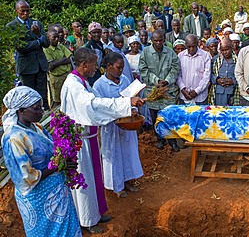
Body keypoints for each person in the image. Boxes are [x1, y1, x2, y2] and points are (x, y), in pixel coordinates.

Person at [60, 47, 145, 234]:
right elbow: (93, 105)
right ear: (84, 64)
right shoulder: (73, 85)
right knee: (84, 181)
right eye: (93, 64)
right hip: (79, 142)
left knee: (92, 178)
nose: (96, 67)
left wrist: (124, 108)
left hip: (88, 138)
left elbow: (97, 101)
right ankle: (87, 220)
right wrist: (125, 104)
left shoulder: (82, 82)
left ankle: (96, 212)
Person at [1, 86, 81, 237]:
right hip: (39, 200)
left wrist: (65, 163)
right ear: (21, 111)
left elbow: (53, 153)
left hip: (58, 195)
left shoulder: (36, 127)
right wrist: (56, 166)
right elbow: (24, 179)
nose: (42, 112)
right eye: (36, 108)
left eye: (41, 107)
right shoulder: (13, 138)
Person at [93, 52, 144, 198]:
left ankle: (128, 180)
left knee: (128, 153)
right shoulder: (99, 85)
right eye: (118, 67)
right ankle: (117, 186)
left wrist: (134, 110)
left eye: (122, 68)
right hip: (111, 127)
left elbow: (131, 98)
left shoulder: (125, 80)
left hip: (128, 124)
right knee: (114, 155)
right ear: (109, 67)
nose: (121, 71)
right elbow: (100, 108)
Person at [139, 30, 180, 151]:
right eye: (155, 40)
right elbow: (143, 70)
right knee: (155, 117)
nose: (158, 43)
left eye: (160, 40)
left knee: (169, 116)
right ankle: (160, 139)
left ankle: (172, 141)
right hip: (153, 91)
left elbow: (175, 68)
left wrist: (167, 81)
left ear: (164, 40)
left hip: (168, 90)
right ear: (151, 40)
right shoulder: (145, 53)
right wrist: (156, 81)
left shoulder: (171, 52)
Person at [6, 0, 50, 110]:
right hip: (26, 67)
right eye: (23, 11)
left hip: (40, 65)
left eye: (27, 11)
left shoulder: (36, 23)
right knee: (28, 97)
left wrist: (38, 35)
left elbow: (47, 43)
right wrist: (38, 42)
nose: (25, 13)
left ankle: (45, 120)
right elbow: (21, 47)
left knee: (42, 97)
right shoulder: (12, 26)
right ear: (17, 11)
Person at [177, 34, 211, 107]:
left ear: (197, 44)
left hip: (200, 98)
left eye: (194, 46)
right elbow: (178, 74)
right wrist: (183, 89)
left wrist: (197, 91)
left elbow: (206, 77)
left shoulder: (205, 56)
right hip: (184, 96)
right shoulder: (180, 56)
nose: (191, 49)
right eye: (189, 47)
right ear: (185, 45)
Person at [43, 30, 72, 108]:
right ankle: (55, 118)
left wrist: (58, 62)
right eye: (54, 37)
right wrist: (63, 60)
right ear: (48, 38)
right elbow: (51, 65)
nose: (56, 39)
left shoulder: (61, 46)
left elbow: (70, 58)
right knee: (57, 101)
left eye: (57, 37)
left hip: (67, 75)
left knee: (68, 98)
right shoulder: (46, 49)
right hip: (56, 78)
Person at [209, 38, 238, 106]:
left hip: (232, 91)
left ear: (231, 48)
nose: (225, 52)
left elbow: (241, 75)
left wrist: (233, 81)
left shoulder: (237, 60)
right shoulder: (215, 60)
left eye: (227, 50)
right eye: (222, 50)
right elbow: (209, 73)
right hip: (218, 91)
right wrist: (217, 80)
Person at [83, 22, 105, 86]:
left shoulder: (100, 44)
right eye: (94, 33)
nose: (97, 34)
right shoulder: (89, 46)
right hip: (93, 73)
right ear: (90, 34)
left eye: (98, 32)